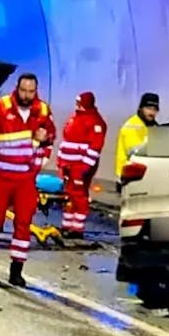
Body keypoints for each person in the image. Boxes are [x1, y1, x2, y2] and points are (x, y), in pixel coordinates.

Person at [0, 73, 55, 287]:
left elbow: (50, 139)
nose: (27, 95)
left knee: (23, 223)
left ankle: (16, 269)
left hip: (26, 178)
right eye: (23, 90)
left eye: (31, 91)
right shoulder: (1, 107)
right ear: (16, 88)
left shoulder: (43, 111)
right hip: (1, 175)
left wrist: (42, 151)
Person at [57, 91, 107, 239]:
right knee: (69, 196)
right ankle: (67, 226)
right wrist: (61, 161)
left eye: (79, 103)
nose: (77, 106)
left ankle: (76, 229)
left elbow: (95, 147)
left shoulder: (95, 122)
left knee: (79, 196)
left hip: (79, 167)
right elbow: (66, 141)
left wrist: (83, 168)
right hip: (68, 165)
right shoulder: (75, 118)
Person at [115, 92, 160, 180]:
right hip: (129, 176)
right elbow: (134, 151)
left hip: (144, 174)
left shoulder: (152, 125)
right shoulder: (132, 125)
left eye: (155, 109)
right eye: (148, 108)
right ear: (140, 108)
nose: (152, 112)